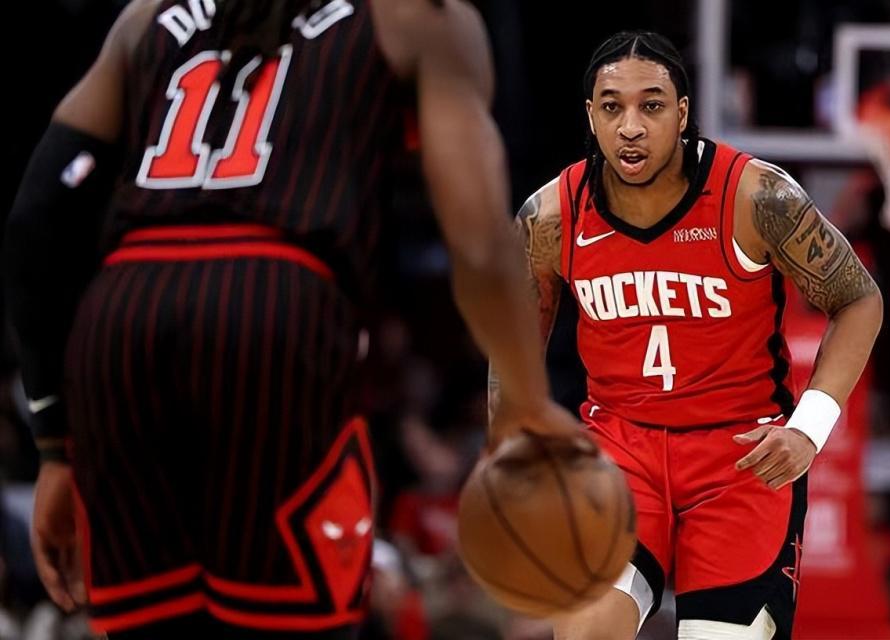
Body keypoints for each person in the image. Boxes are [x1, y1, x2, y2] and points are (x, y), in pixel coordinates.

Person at [3, 0, 582, 636]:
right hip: (276, 308)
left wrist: (55, 446)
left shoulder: (147, 17)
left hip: (123, 319)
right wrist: (525, 401)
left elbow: (36, 219)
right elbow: (479, 243)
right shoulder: (415, 17)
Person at [489, 31, 883, 640]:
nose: (630, 126)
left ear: (682, 113)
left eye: (650, 105)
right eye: (612, 106)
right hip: (621, 448)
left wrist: (809, 428)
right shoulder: (551, 216)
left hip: (741, 455)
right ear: (591, 116)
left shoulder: (757, 196)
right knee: (584, 628)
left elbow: (858, 299)